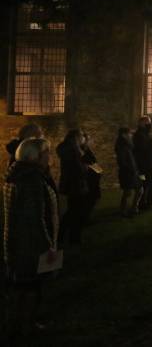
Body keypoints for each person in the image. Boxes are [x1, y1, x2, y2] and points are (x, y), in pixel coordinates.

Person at [3, 138, 59, 340]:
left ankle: (17, 325)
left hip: (17, 240)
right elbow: (35, 217)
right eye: (46, 154)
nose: (49, 158)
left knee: (20, 287)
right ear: (35, 157)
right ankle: (25, 326)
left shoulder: (17, 174)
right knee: (31, 288)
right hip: (30, 244)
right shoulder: (32, 179)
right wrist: (48, 249)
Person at [57, 129, 89, 246]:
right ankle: (73, 237)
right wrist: (86, 168)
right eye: (82, 136)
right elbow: (78, 168)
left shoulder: (69, 148)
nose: (83, 138)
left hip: (72, 183)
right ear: (76, 137)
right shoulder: (73, 150)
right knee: (75, 212)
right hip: (75, 183)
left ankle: (66, 236)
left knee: (73, 210)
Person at [133, 116, 152, 209]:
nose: (149, 125)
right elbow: (140, 150)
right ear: (141, 123)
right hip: (143, 165)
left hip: (149, 163)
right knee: (145, 183)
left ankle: (149, 200)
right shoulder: (138, 135)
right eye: (147, 123)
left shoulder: (145, 134)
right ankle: (142, 202)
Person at [115, 128, 143, 217]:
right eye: (129, 134)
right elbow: (122, 161)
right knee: (127, 192)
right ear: (124, 134)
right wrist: (130, 170)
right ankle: (123, 210)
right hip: (128, 173)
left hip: (134, 172)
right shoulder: (121, 146)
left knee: (140, 189)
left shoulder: (128, 145)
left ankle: (134, 207)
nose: (131, 135)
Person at [80, 132, 101, 224]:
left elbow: (93, 162)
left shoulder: (86, 149)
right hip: (89, 179)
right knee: (89, 199)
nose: (90, 141)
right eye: (88, 139)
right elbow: (88, 163)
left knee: (93, 198)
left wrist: (99, 170)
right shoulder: (82, 151)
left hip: (93, 178)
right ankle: (85, 218)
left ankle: (86, 217)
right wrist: (97, 169)